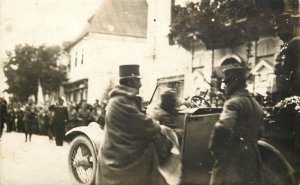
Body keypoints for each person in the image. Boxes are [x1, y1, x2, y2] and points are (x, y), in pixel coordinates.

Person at [99, 64, 173, 185]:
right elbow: (144, 124)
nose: (140, 84)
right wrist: (160, 127)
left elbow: (138, 121)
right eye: (137, 80)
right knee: (158, 144)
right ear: (130, 82)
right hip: (118, 158)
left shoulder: (122, 99)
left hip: (119, 152)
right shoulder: (121, 101)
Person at [209, 67, 264, 185]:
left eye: (227, 83)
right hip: (253, 157)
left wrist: (216, 150)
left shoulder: (233, 103)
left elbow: (222, 129)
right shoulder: (256, 105)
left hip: (233, 159)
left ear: (235, 82)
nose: (224, 87)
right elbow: (260, 133)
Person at [273, 13, 300, 103]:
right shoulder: (285, 45)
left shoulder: (295, 43)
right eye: (277, 30)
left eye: (280, 29)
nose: (277, 33)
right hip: (284, 91)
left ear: (289, 28)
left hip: (292, 91)